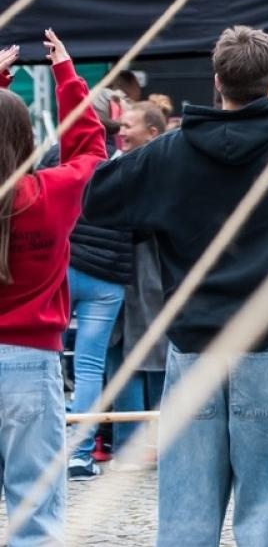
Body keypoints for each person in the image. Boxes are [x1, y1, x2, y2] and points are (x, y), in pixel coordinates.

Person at [83, 26, 268, 547]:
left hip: (194, 345)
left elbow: (99, 199)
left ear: (217, 81)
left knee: (187, 515)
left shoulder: (168, 155)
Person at [0, 32, 105, 547]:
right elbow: (90, 147)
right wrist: (66, 72)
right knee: (35, 504)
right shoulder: (49, 195)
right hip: (30, 360)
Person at [60, 100, 155, 478]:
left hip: (68, 268)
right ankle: (79, 454)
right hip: (108, 279)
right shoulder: (130, 170)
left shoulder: (61, 162)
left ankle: (52, 446)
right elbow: (144, 224)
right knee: (90, 368)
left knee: (50, 360)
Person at [105, 101, 168, 472]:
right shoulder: (121, 165)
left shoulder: (155, 169)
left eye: (129, 125)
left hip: (149, 271)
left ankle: (152, 443)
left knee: (151, 358)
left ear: (152, 132)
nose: (121, 131)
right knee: (126, 359)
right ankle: (132, 444)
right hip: (122, 271)